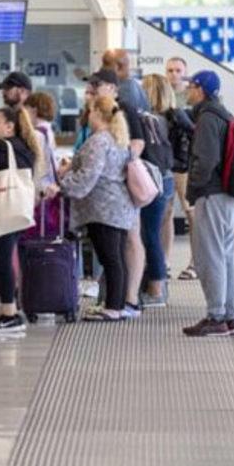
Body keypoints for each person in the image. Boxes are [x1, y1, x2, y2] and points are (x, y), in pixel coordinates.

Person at [49, 95, 135, 321]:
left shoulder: (99, 140)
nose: (86, 115)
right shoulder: (118, 138)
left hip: (103, 208)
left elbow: (89, 175)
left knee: (110, 258)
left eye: (89, 111)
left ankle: (113, 308)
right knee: (117, 258)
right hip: (119, 206)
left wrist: (61, 186)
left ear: (97, 112)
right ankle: (116, 304)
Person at [181, 70, 234, 337]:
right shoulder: (224, 114)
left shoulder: (207, 118)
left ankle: (216, 315)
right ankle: (229, 316)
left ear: (201, 90)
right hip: (229, 195)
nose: (187, 91)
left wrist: (193, 187)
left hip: (213, 194)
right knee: (226, 255)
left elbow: (206, 160)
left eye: (191, 87)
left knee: (211, 256)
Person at [87, 68, 147, 316]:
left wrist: (117, 164)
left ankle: (130, 299)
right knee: (114, 247)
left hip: (123, 186)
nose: (91, 90)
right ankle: (114, 299)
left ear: (112, 87)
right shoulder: (95, 113)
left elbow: (137, 144)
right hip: (107, 189)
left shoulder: (124, 110)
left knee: (130, 239)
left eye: (97, 86)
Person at [0, 106, 41, 333]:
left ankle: (10, 312)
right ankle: (10, 309)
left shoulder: (0, 148)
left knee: (0, 258)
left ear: (9, 126)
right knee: (1, 257)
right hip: (16, 209)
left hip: (3, 210)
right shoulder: (24, 147)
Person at [139, 74, 176, 307]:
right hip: (168, 177)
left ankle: (155, 288)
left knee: (149, 234)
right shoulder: (170, 119)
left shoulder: (150, 121)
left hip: (153, 179)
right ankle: (158, 283)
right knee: (160, 230)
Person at [166, 57, 199, 281]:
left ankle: (195, 262)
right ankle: (164, 262)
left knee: (191, 213)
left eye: (178, 70)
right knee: (165, 213)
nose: (174, 74)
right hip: (167, 161)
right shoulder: (162, 95)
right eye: (170, 70)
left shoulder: (192, 98)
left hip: (186, 163)